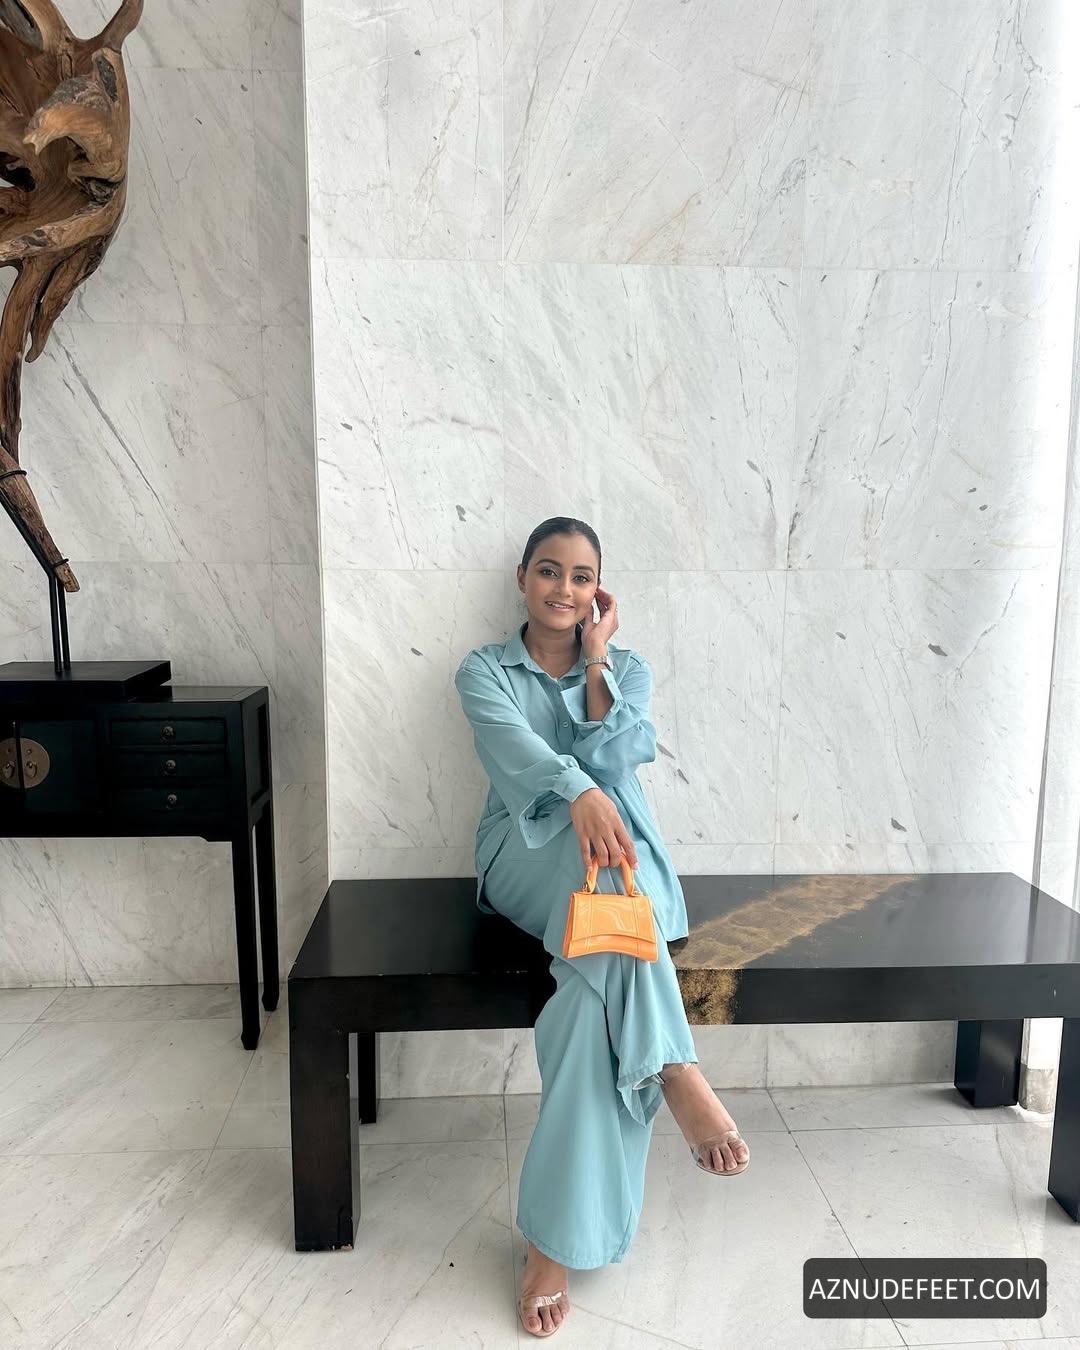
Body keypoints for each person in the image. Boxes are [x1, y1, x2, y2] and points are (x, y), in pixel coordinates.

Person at [454, 516, 751, 1339]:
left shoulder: (627, 668)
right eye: (549, 570)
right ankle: (672, 1065)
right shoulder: (484, 670)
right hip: (523, 853)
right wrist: (576, 791)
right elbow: (516, 757)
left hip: (621, 859)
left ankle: (552, 1245)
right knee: (608, 877)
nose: (563, 587)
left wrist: (595, 662)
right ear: (522, 577)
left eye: (581, 576)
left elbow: (619, 764)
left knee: (590, 1005)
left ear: (597, 591)